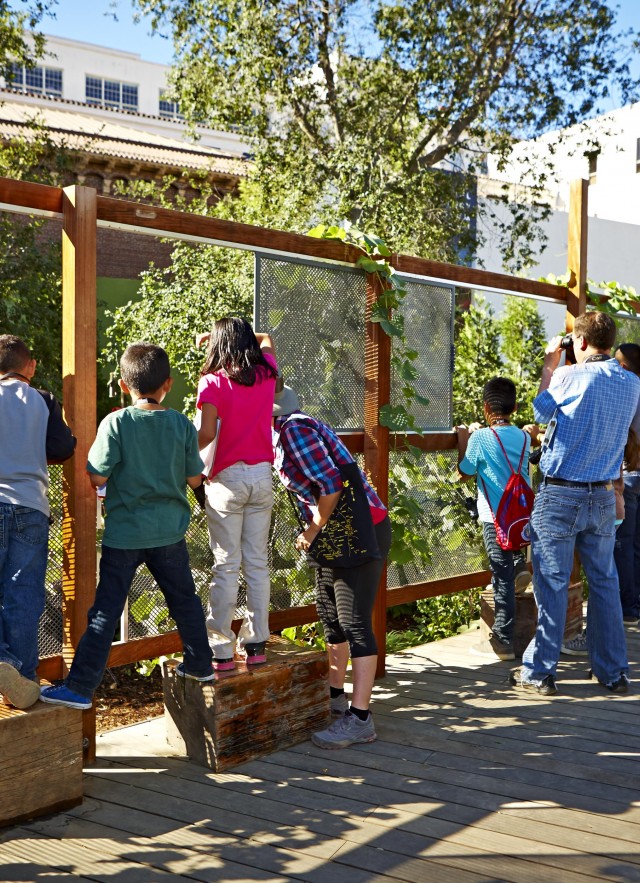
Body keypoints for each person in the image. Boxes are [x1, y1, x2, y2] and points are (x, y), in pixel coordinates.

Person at [40, 343, 213, 710]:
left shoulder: (116, 422)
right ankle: (201, 665)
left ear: (123, 384)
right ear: (167, 384)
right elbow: (196, 479)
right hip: (170, 533)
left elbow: (98, 475)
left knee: (105, 610)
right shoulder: (181, 423)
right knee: (185, 602)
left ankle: (80, 687)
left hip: (125, 535)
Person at [510, 312, 640, 697]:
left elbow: (540, 412)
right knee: (604, 583)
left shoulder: (568, 376)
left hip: (561, 493)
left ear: (581, 343)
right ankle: (613, 671)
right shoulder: (632, 383)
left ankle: (539, 671)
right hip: (602, 493)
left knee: (550, 582)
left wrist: (551, 365)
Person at [272, 385, 391, 749]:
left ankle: (360, 718)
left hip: (358, 531)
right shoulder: (287, 428)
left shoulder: (293, 430)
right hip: (338, 532)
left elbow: (331, 483)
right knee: (330, 617)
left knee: (354, 622)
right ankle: (336, 696)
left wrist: (310, 530)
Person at [196, 318, 278, 670]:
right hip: (262, 475)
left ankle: (222, 650)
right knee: (257, 563)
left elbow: (205, 434)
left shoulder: (212, 382)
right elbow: (267, 339)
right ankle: (257, 644)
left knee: (226, 566)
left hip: (226, 480)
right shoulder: (266, 375)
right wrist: (239, 335)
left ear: (218, 345)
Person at [0, 335, 76, 709]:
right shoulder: (43, 399)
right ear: (29, 367)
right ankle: (25, 677)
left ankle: (3, 664)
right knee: (24, 594)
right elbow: (63, 448)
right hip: (32, 505)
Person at [561, 341, 640, 656]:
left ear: (624, 365)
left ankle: (621, 612)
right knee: (634, 545)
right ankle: (632, 604)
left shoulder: (626, 391)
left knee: (614, 553)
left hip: (623, 476)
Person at [456, 377, 532, 661]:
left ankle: (503, 639)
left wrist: (465, 437)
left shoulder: (480, 437)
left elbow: (465, 470)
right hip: (519, 517)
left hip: (494, 517)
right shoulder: (524, 437)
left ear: (486, 407)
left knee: (500, 577)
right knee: (507, 564)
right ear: (514, 407)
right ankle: (519, 565)